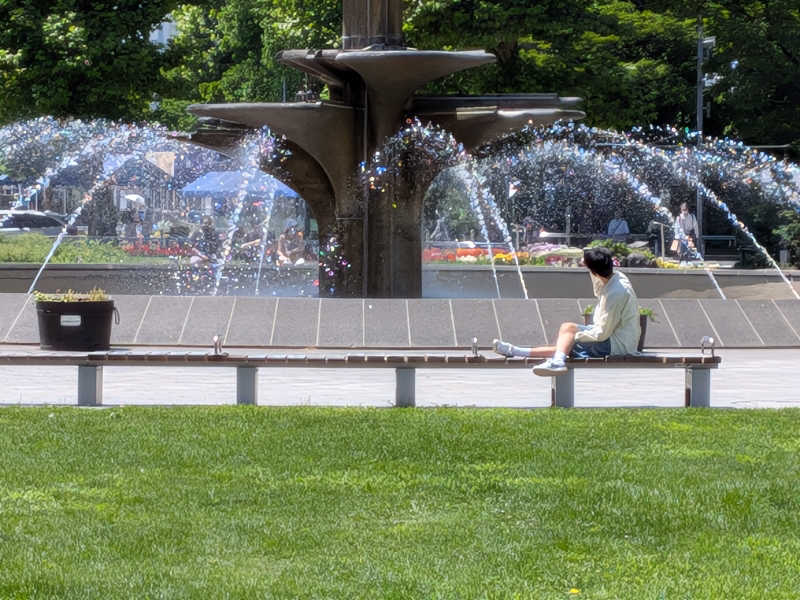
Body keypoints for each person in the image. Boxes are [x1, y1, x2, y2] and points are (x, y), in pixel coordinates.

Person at [493, 246, 641, 375]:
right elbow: (598, 290)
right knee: (567, 329)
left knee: (567, 343)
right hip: (611, 335)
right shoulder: (615, 277)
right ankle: (520, 352)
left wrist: (576, 336)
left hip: (617, 344)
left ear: (594, 271)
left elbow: (602, 333)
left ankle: (527, 354)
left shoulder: (616, 293)